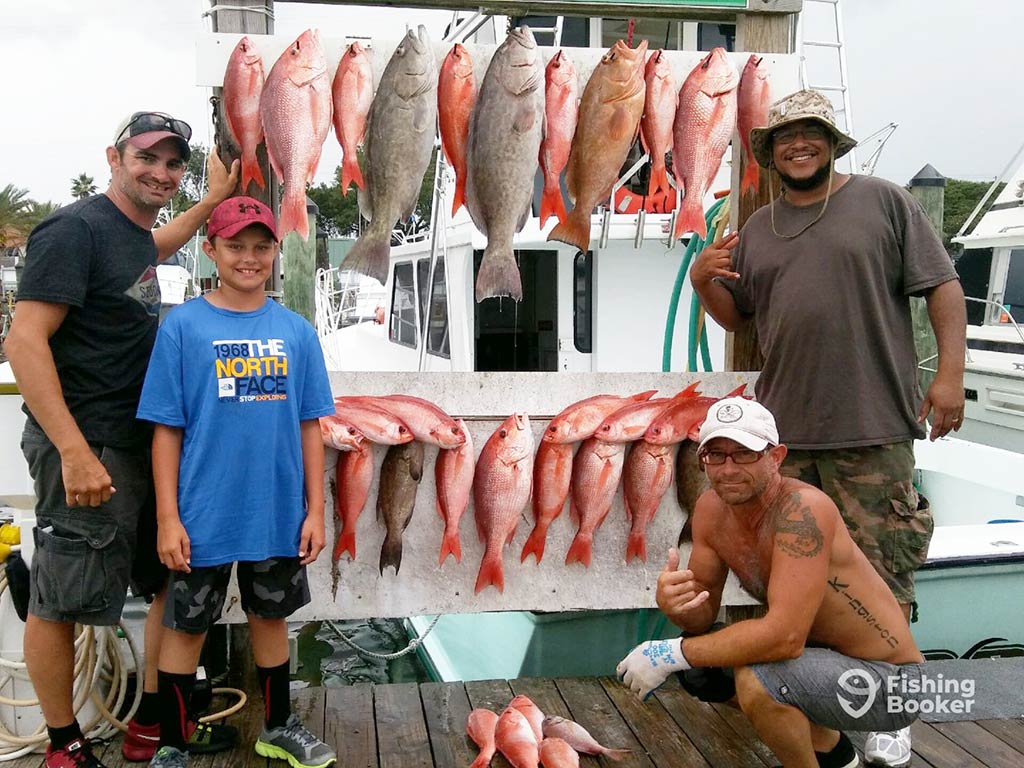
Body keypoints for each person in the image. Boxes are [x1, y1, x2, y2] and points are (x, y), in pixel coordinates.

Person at [689, 89, 966, 766]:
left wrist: (949, 376)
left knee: (880, 577)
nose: (798, 145)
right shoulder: (756, 230)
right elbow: (740, 317)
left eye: (811, 134)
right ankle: (816, 710)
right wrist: (703, 281)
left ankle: (889, 715)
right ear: (771, 153)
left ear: (831, 142)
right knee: (796, 586)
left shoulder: (883, 201)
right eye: (785, 137)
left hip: (874, 432)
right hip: (783, 445)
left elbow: (944, 288)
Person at [5, 112, 240, 768]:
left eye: (173, 164)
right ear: (114, 156)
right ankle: (64, 746)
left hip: (141, 448)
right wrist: (75, 452)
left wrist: (215, 201)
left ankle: (151, 725)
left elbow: (156, 245)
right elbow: (23, 342)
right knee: (60, 601)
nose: (161, 173)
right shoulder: (73, 230)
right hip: (90, 447)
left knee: (169, 579)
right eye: (148, 159)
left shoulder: (130, 235)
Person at [135, 196, 337, 768]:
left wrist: (315, 511)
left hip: (274, 513)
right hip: (201, 515)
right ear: (211, 250)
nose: (248, 258)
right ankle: (173, 741)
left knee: (271, 620)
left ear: (277, 251)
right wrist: (168, 518)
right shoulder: (182, 328)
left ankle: (277, 727)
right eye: (235, 246)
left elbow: (310, 425)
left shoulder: (297, 332)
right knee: (185, 628)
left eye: (260, 246)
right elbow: (165, 432)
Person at [616, 398, 926, 768]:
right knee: (702, 669)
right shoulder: (711, 510)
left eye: (744, 454)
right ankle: (836, 755)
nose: (728, 469)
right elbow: (700, 620)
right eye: (716, 455)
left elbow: (786, 637)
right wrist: (677, 604)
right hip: (821, 665)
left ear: (776, 457)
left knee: (758, 678)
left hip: (892, 684)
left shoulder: (803, 510)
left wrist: (668, 654)